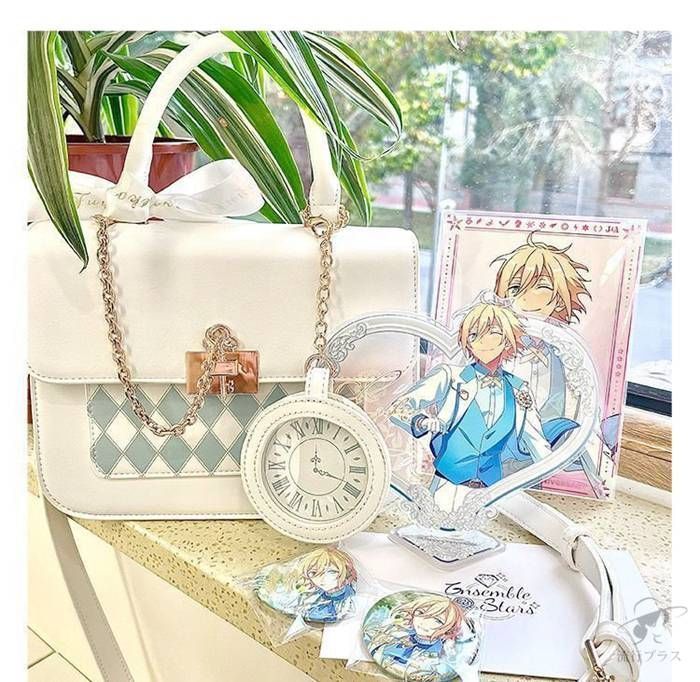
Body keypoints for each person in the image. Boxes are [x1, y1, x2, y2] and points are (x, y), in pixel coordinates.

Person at [389, 302, 552, 488]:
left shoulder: (519, 388)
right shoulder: (450, 376)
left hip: (494, 489)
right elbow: (398, 408)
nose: (481, 341)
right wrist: (422, 422)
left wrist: (549, 474)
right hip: (447, 484)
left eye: (491, 333)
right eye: (473, 335)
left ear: (507, 340)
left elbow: (535, 440)